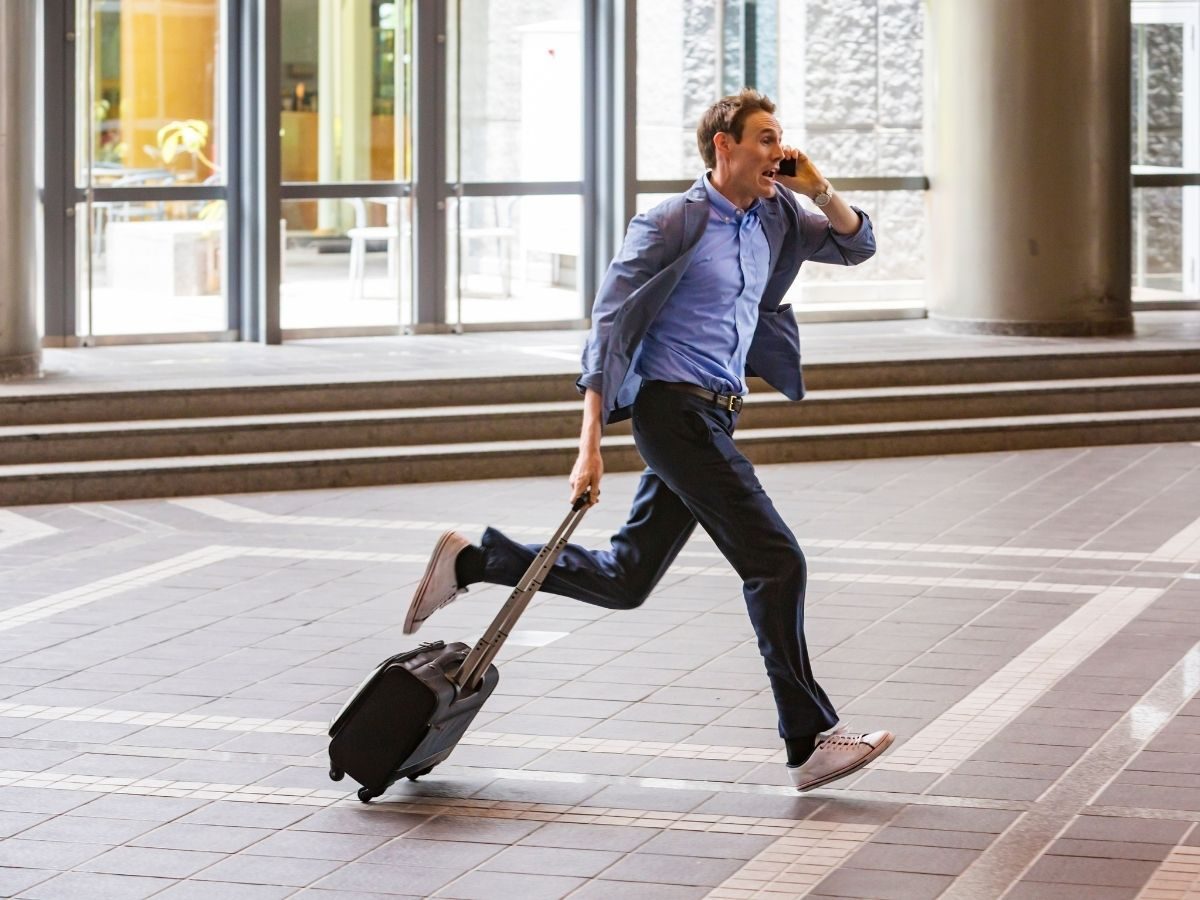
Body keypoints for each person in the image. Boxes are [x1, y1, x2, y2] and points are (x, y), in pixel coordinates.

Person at [404, 89, 893, 792]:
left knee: (628, 579)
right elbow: (609, 329)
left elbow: (857, 244)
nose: (776, 151)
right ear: (722, 146)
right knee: (777, 560)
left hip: (718, 413)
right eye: (763, 138)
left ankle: (478, 559)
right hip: (671, 413)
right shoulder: (672, 221)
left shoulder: (778, 213)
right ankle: (809, 738)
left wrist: (817, 186)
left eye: (779, 138)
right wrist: (590, 444)